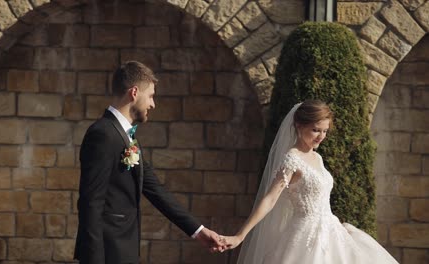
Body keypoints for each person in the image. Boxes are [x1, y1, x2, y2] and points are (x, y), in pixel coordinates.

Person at [74, 61, 223, 264]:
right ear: (134, 92)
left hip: (124, 251)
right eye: (151, 96)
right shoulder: (103, 134)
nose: (153, 104)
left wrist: (199, 231)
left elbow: (155, 189)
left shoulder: (127, 137)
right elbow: (90, 203)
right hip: (107, 253)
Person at [219, 100, 399, 264]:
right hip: (305, 239)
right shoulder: (291, 159)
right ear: (298, 126)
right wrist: (240, 235)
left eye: (325, 131)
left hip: (332, 232)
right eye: (316, 130)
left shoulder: (317, 158)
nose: (321, 136)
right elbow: (270, 199)